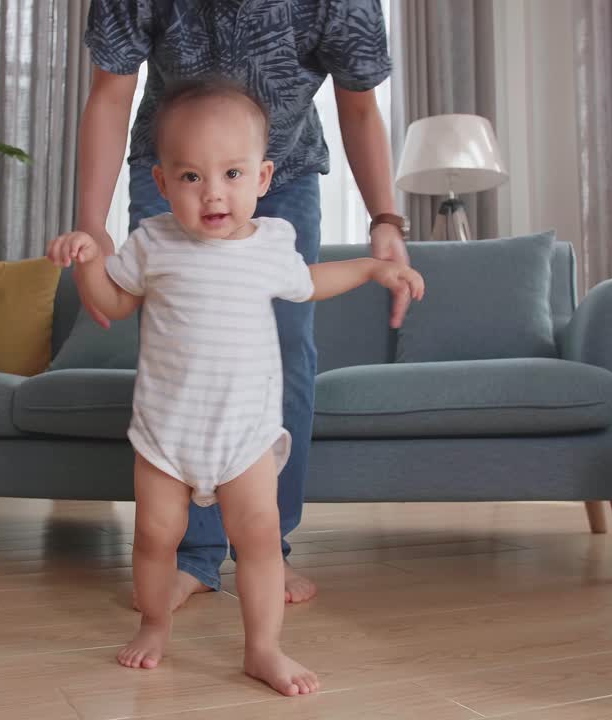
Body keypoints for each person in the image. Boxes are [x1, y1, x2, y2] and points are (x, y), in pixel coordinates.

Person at [47, 79, 424, 695]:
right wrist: (87, 256)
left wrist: (373, 268)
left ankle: (263, 648)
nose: (213, 193)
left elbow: (310, 282)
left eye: (230, 173)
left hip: (244, 436)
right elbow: (111, 303)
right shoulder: (152, 243)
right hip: (167, 435)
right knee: (153, 538)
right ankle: (153, 624)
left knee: (258, 543)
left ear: (263, 177)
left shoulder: (272, 243)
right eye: (191, 177)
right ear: (163, 184)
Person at [76, 0, 410, 611]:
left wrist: (384, 219)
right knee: (184, 348)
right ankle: (193, 559)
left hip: (277, 173)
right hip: (174, 168)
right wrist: (90, 224)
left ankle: (264, 545)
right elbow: (110, 91)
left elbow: (359, 104)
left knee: (286, 347)